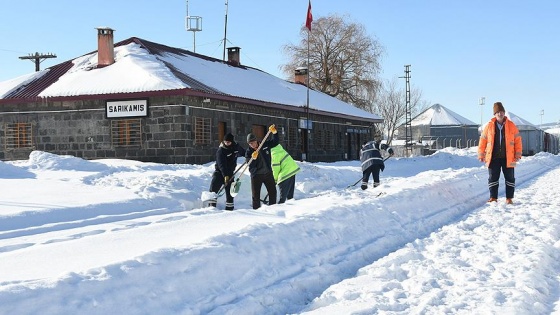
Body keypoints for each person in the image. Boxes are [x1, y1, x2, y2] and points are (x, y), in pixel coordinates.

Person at [478, 101, 522, 204]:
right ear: (494, 114)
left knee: (510, 178)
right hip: (493, 157)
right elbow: (483, 141)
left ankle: (509, 198)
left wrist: (518, 153)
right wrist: (481, 154)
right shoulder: (488, 126)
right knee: (493, 178)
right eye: (497, 112)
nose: (500, 114)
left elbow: (518, 140)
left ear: (504, 113)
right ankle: (493, 197)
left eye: (501, 111)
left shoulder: (511, 125)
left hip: (509, 157)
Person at [209, 133, 245, 210]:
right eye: (225, 142)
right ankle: (211, 209)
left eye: (228, 142)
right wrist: (225, 175)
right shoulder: (221, 150)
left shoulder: (236, 147)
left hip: (230, 173)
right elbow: (221, 165)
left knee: (230, 194)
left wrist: (251, 155)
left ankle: (229, 210)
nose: (226, 143)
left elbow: (244, 152)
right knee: (213, 191)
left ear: (232, 142)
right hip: (219, 173)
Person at [245, 125, 278, 209]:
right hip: (256, 175)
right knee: (255, 196)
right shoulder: (249, 152)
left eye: (252, 142)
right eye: (249, 143)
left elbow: (275, 142)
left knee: (272, 192)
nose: (251, 145)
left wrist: (274, 133)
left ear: (256, 141)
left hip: (267, 173)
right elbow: (250, 165)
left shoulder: (264, 144)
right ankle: (256, 211)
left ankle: (273, 209)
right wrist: (253, 158)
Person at [270, 129, 301, 203]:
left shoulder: (274, 153)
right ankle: (291, 207)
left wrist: (274, 180)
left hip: (285, 173)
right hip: (292, 170)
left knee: (282, 198)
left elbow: (276, 168)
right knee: (290, 196)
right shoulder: (279, 149)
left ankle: (281, 209)